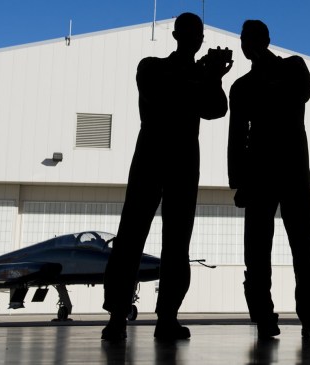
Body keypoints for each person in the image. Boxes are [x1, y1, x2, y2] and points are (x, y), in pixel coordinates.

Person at [101, 12, 232, 341]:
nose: (193, 39)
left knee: (176, 242)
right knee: (132, 236)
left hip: (181, 161)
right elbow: (164, 94)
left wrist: (214, 76)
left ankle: (166, 317)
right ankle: (119, 316)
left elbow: (216, 109)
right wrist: (202, 76)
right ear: (176, 36)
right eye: (190, 33)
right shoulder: (152, 66)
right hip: (154, 157)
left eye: (196, 34)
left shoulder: (199, 76)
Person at [228, 19, 310, 338]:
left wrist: (267, 72)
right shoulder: (241, 87)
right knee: (256, 251)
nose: (248, 45)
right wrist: (238, 182)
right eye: (244, 40)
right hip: (258, 175)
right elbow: (236, 137)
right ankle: (263, 316)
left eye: (253, 39)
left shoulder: (293, 67)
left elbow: (304, 92)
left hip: (292, 172)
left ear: (267, 40)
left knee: (302, 246)